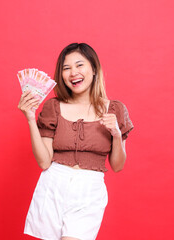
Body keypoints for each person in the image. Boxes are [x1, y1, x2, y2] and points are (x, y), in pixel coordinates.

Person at [18, 43, 134, 240]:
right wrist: (30, 117)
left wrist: (115, 133)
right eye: (66, 68)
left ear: (94, 69)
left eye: (79, 65)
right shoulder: (53, 107)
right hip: (53, 185)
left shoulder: (115, 109)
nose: (73, 73)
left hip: (89, 189)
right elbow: (44, 162)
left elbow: (118, 166)